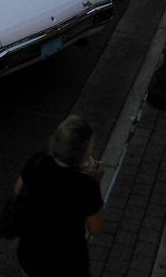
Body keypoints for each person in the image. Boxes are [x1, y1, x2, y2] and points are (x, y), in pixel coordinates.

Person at [15, 115, 104, 277]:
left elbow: (18, 189)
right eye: (91, 150)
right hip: (67, 264)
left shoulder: (38, 162)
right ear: (81, 155)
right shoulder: (86, 186)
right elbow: (95, 228)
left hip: (30, 254)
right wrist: (96, 182)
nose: (92, 152)